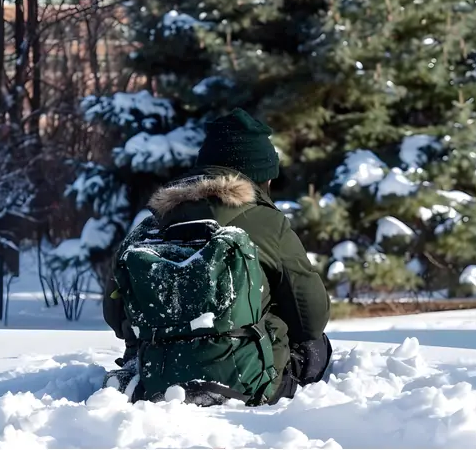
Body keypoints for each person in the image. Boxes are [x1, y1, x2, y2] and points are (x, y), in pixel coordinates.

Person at [103, 108, 332, 404]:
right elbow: (310, 318)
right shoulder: (267, 222)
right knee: (317, 346)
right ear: (261, 177)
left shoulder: (150, 224)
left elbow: (116, 316)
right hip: (246, 379)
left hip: (156, 375)